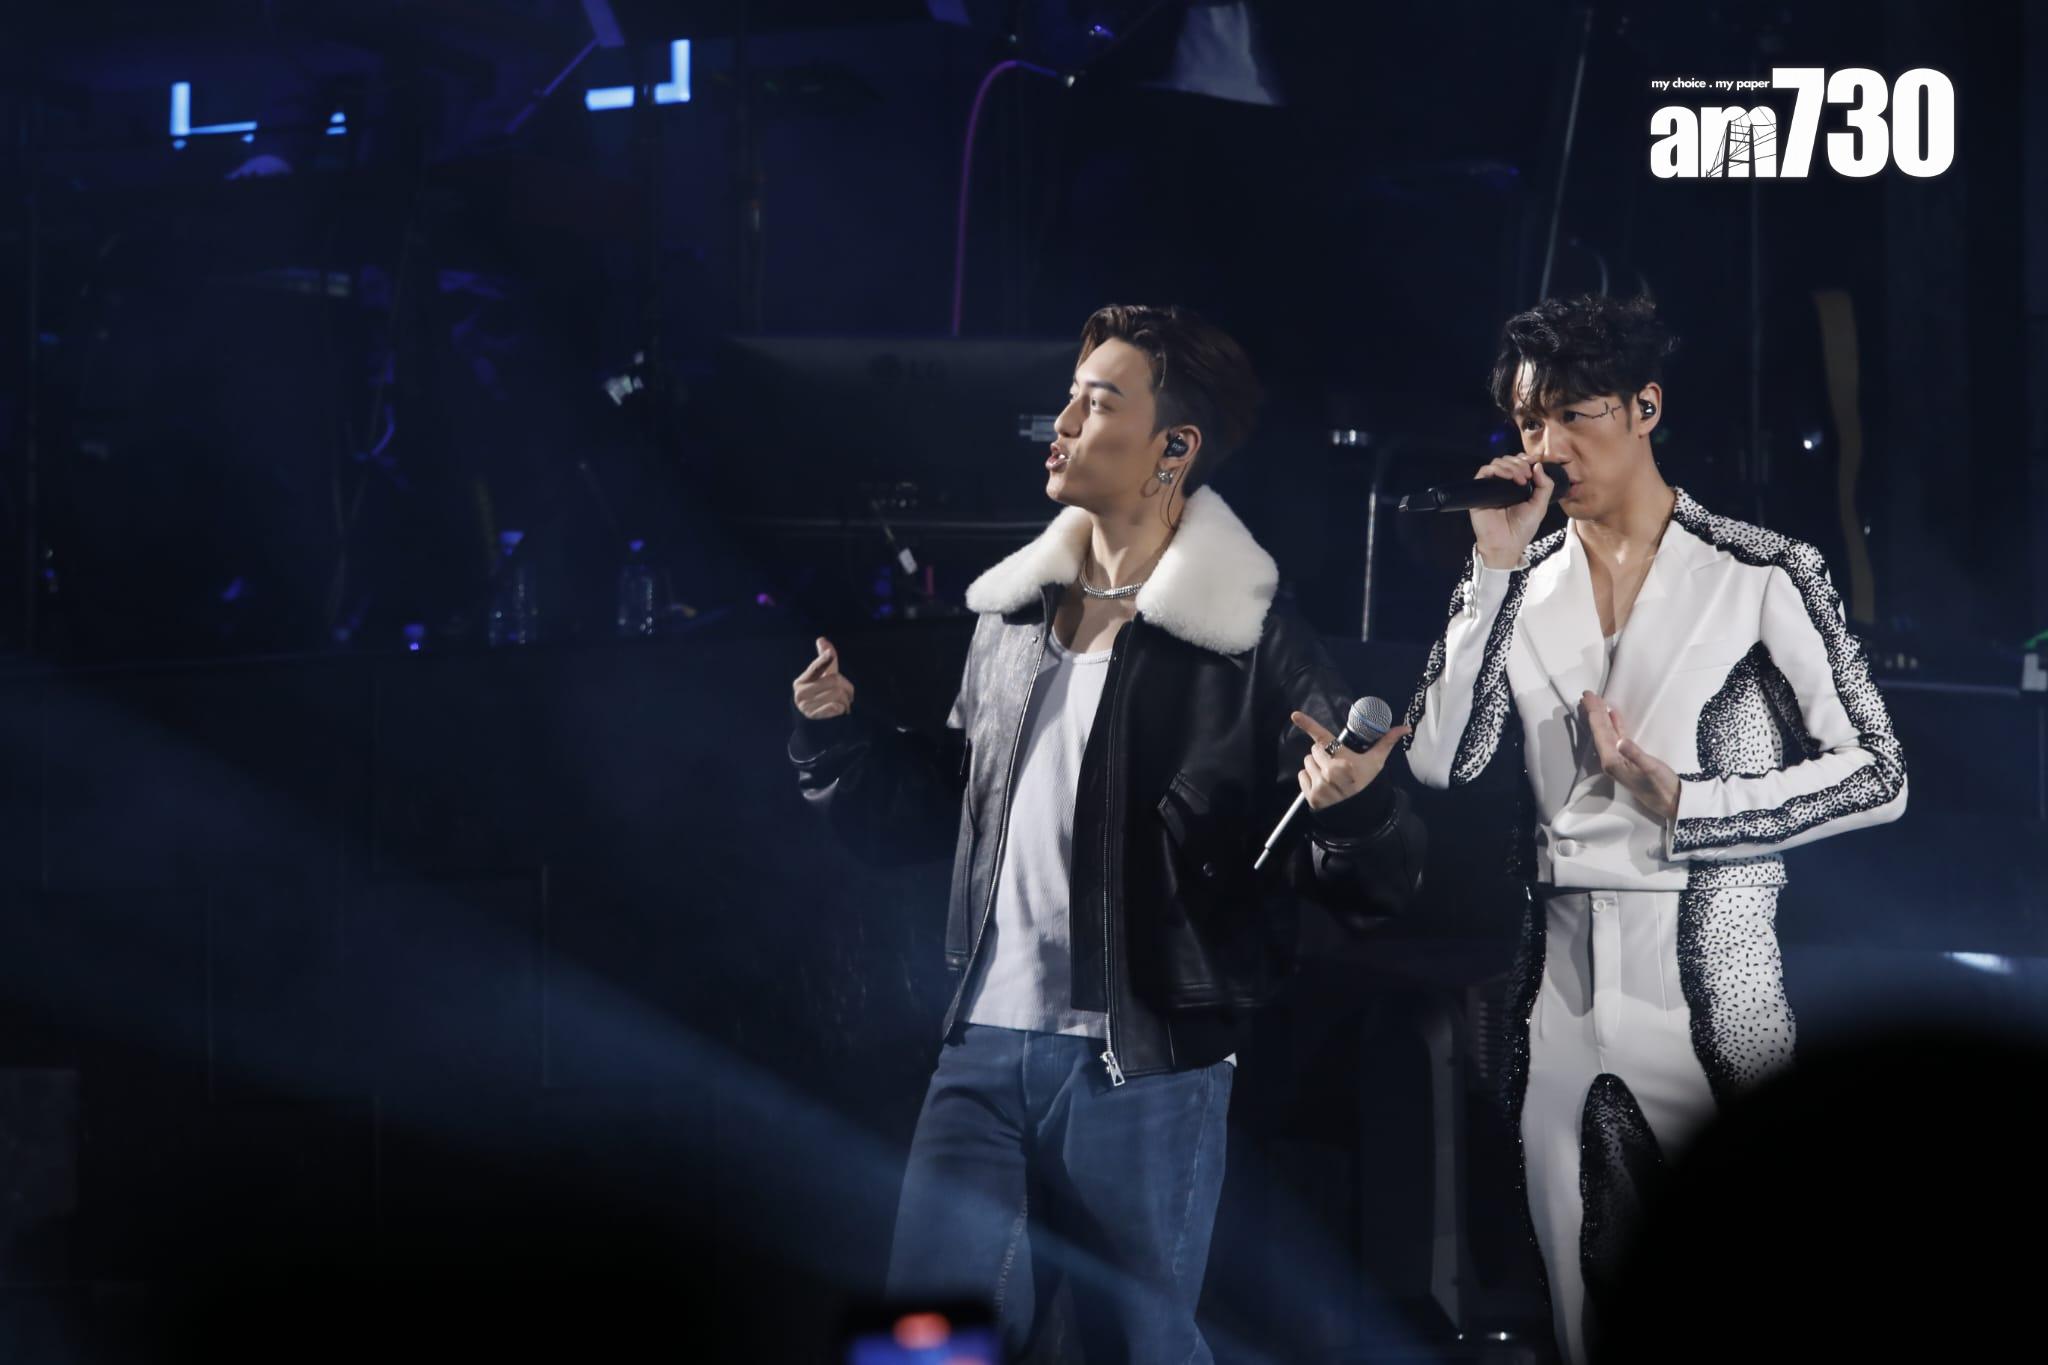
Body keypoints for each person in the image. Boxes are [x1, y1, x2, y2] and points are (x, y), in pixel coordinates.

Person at [790, 304, 1425, 1362]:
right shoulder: (1010, 617)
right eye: (1070, 398)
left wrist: (1353, 806)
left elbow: (1375, 884)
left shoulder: (1249, 638)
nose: (1063, 424)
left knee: (1133, 1346)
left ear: (1174, 447)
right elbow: (941, 816)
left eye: (1096, 403)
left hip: (1142, 1061)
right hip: (982, 1044)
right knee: (921, 1346)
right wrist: (835, 743)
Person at [1403, 294, 1907, 1364]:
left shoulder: (1758, 571)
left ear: (1644, 407)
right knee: (1574, 1303)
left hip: (1709, 968)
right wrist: (1491, 571)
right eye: (1528, 421)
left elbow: (1878, 773)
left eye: (1572, 414)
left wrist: (1695, 802)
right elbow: (1442, 759)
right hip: (1554, 976)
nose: (1547, 447)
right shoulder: (1516, 581)